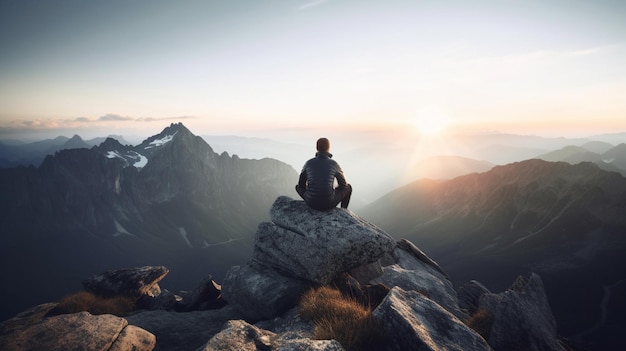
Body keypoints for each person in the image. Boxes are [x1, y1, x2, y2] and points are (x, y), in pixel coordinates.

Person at [296, 137, 352, 211]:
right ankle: (344, 211)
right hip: (328, 204)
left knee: (297, 187)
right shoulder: (334, 164)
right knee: (349, 187)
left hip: (311, 203)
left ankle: (313, 198)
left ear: (317, 148)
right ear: (328, 148)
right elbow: (343, 185)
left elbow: (301, 185)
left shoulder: (308, 163)